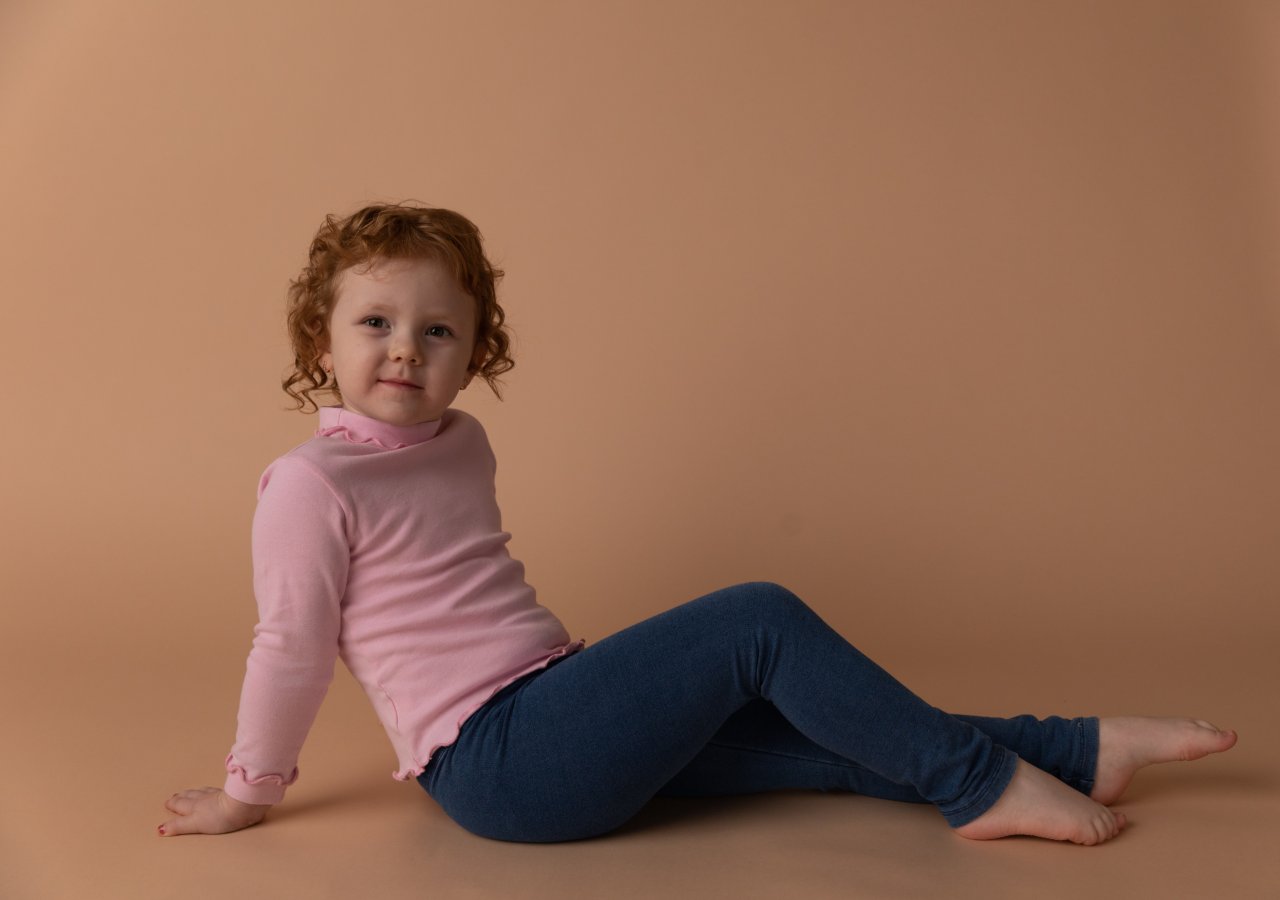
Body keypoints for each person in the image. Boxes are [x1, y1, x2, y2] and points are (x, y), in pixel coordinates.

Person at [159, 203, 1237, 845]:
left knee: (819, 729)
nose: (406, 347)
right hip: (500, 766)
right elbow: (290, 646)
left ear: (476, 352)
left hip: (559, 701)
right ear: (321, 344)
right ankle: (980, 785)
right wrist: (251, 793)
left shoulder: (461, 441)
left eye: (439, 330)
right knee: (756, 619)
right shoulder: (309, 484)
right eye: (375, 323)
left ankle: (1075, 749)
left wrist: (589, 693)